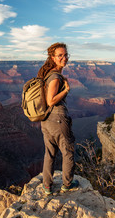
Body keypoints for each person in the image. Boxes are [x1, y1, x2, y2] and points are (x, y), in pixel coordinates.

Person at [37, 42, 79, 195]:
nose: (64, 58)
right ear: (52, 58)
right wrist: (66, 90)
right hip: (58, 119)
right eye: (60, 55)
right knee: (68, 152)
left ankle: (47, 186)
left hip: (46, 120)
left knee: (50, 153)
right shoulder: (55, 76)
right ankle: (67, 184)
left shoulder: (48, 73)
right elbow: (51, 100)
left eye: (66, 55)